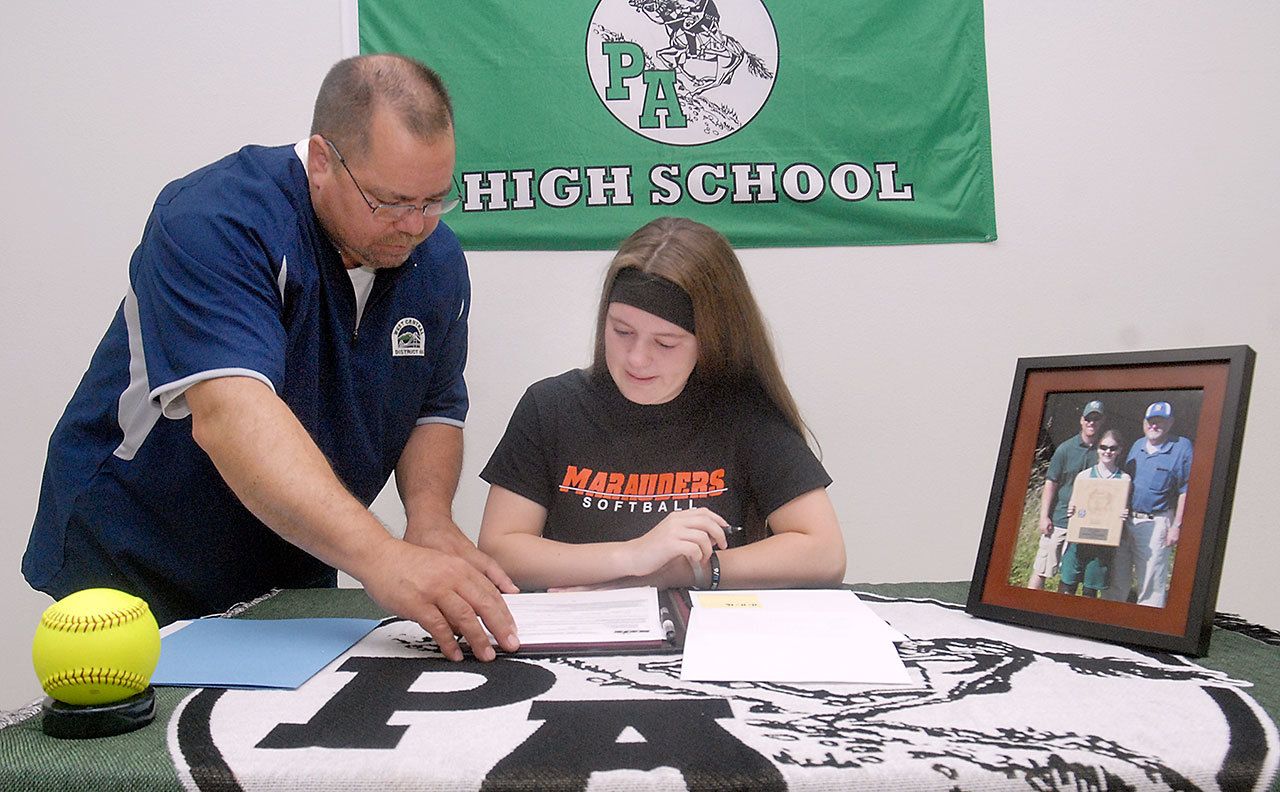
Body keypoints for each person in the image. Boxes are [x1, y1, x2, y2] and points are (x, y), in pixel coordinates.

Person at [21, 54, 518, 661]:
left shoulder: (434, 261)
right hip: (139, 553)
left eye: (435, 200)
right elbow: (232, 416)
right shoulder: (216, 219)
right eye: (389, 202)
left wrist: (431, 519)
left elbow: (432, 406)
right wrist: (382, 556)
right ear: (319, 162)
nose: (415, 225)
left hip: (290, 555)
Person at [476, 217, 846, 591]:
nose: (636, 358)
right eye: (622, 331)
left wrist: (682, 571)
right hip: (580, 632)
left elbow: (825, 553)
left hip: (708, 638)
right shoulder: (551, 407)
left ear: (711, 341)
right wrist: (632, 557)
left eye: (665, 343)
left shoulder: (744, 413)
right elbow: (499, 551)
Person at [1103, 401, 1193, 607]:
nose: (1154, 426)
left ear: (1170, 423)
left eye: (1160, 421)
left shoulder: (1182, 448)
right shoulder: (1137, 446)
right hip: (1125, 521)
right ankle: (1109, 618)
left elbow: (1186, 490)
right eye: (1151, 421)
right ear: (1144, 423)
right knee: (1117, 576)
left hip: (1156, 522)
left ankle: (1147, 625)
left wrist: (1176, 526)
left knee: (1151, 582)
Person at [1026, 400, 1104, 591]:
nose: (1091, 423)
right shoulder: (1065, 449)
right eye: (1088, 418)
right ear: (1081, 420)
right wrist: (1044, 516)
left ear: (1102, 422)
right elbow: (1051, 483)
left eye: (1096, 419)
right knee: (1042, 569)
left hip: (1086, 526)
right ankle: (1027, 604)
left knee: (1069, 577)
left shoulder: (1104, 452)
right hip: (1059, 520)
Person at [1059, 429, 1130, 597]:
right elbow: (1074, 506)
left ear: (1119, 450)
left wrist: (1123, 515)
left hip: (1103, 545)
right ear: (1097, 449)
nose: (1108, 452)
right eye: (1103, 447)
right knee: (1067, 586)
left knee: (1089, 591)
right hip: (1078, 542)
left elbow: (1120, 512)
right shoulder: (1084, 476)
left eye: (1113, 448)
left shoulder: (1124, 480)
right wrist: (1072, 510)